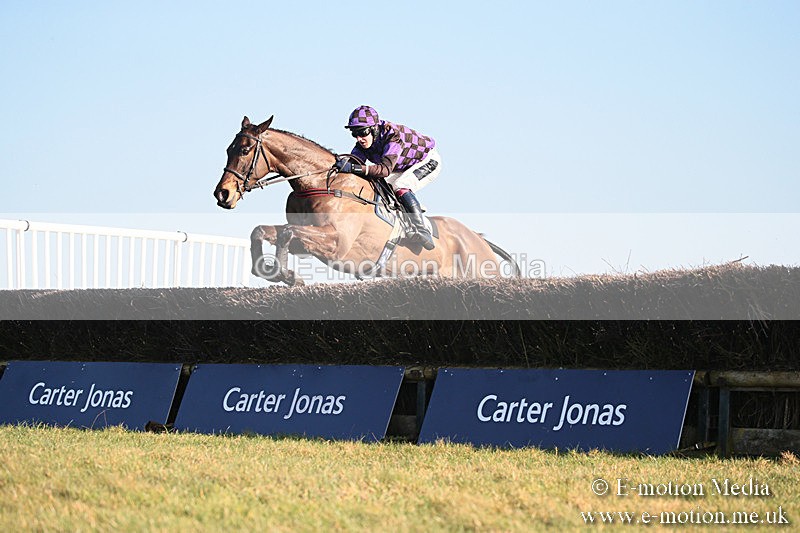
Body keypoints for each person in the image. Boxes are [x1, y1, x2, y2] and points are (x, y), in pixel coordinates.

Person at [333, 105, 441, 250]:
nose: (359, 138)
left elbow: (383, 170)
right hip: (400, 166)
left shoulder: (392, 136)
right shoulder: (362, 144)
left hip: (427, 161)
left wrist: (353, 168)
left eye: (362, 132)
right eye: (354, 133)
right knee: (378, 187)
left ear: (374, 128)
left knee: (400, 186)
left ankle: (422, 230)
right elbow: (353, 164)